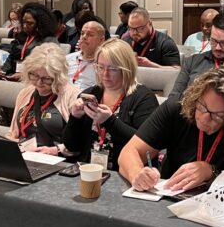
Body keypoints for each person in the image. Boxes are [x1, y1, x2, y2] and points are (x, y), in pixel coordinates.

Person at [118, 66, 224, 192]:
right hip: (171, 196)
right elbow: (129, 152)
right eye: (202, 106)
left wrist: (212, 173)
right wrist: (136, 174)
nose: (204, 118)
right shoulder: (176, 108)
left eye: (218, 116)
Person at [63, 38, 158, 170]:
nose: (105, 74)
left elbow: (145, 146)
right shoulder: (90, 94)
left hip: (125, 172)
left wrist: (110, 121)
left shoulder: (144, 98)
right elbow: (72, 146)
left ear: (127, 69)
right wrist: (75, 118)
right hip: (89, 169)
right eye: (100, 67)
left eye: (113, 69)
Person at [6, 43, 80, 155]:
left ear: (58, 77)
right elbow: (13, 133)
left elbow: (79, 142)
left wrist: (56, 150)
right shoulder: (25, 93)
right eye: (35, 75)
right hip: (26, 154)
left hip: (56, 157)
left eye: (47, 79)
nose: (39, 82)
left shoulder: (72, 95)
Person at [0, 2, 60, 78]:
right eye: (23, 22)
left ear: (39, 23)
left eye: (30, 23)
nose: (25, 26)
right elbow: (11, 57)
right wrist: (2, 71)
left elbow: (49, 67)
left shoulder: (49, 41)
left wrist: (24, 75)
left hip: (35, 79)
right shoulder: (21, 36)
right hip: (13, 76)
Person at [66, 19, 106, 89]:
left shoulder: (104, 65)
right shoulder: (67, 59)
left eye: (90, 34)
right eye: (82, 33)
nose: (84, 37)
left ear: (101, 40)